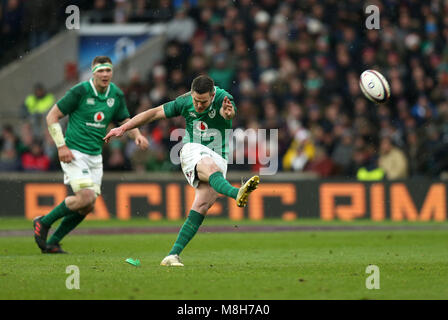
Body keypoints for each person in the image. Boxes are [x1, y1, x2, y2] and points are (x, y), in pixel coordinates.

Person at [104, 75, 259, 266]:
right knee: (209, 166)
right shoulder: (184, 101)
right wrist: (124, 128)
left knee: (201, 206)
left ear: (212, 95)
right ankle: (237, 192)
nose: (198, 105)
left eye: (203, 102)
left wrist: (229, 115)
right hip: (192, 150)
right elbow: (153, 113)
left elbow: (229, 113)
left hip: (219, 156)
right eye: (195, 100)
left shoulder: (223, 98)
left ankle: (172, 255)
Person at [33, 56, 148, 254]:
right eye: (100, 71)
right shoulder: (80, 91)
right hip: (74, 151)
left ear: (112, 72)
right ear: (93, 73)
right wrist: (61, 146)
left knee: (87, 206)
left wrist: (136, 135)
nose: (105, 74)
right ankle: (43, 222)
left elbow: (124, 120)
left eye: (108, 70)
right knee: (85, 197)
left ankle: (53, 242)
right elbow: (52, 116)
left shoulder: (116, 94)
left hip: (96, 156)